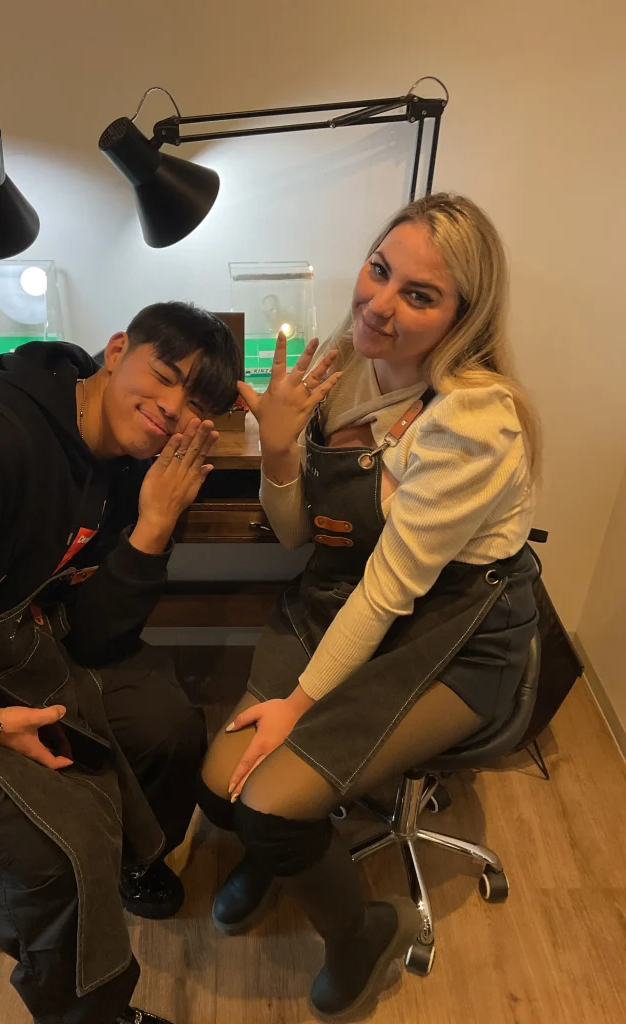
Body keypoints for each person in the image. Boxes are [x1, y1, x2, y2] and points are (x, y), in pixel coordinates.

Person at [198, 194, 541, 1020]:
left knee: (270, 804)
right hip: (344, 594)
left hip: (452, 630)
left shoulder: (473, 421)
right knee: (221, 786)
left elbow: (393, 590)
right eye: (379, 270)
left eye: (419, 295)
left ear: (463, 316)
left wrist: (298, 706)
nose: (379, 304)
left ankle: (363, 933)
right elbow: (299, 535)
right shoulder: (346, 360)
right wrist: (279, 450)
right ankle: (281, 852)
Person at [0, 302, 242, 1024]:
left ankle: (123, 871)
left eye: (196, 405)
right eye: (164, 376)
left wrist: (153, 528)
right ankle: (85, 1005)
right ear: (117, 348)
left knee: (166, 725)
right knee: (54, 855)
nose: (172, 410)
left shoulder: (126, 469)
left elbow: (93, 638)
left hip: (12, 653)